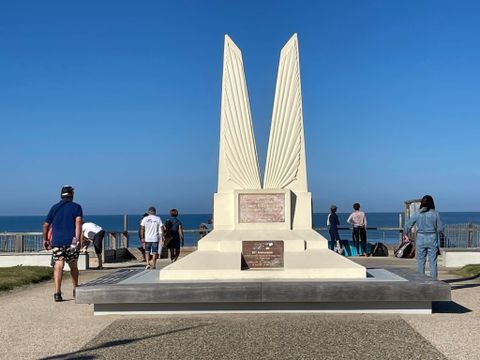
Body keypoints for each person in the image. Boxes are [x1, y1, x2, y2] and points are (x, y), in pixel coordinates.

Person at [42, 185, 83, 302]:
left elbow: (45, 225)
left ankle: (57, 293)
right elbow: (78, 222)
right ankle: (75, 289)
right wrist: (78, 240)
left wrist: (45, 239)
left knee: (58, 265)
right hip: (71, 242)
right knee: (73, 265)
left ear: (61, 195)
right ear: (72, 195)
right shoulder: (76, 207)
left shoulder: (54, 208)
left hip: (57, 242)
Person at [404, 195, 444, 280]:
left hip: (420, 238)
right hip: (432, 238)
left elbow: (408, 225)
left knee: (421, 262)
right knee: (433, 262)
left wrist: (406, 234)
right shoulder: (435, 213)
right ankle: (433, 282)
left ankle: (421, 282)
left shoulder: (417, 213)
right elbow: (440, 228)